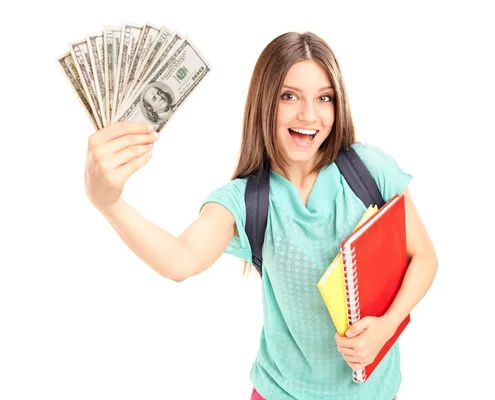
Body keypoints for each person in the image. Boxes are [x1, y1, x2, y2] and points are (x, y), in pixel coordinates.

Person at [84, 31, 438, 400]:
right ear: (264, 102)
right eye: (289, 96)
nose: (309, 114)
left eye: (324, 98)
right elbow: (180, 259)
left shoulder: (370, 170)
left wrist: (386, 328)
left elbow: (424, 257)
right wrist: (108, 203)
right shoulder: (247, 200)